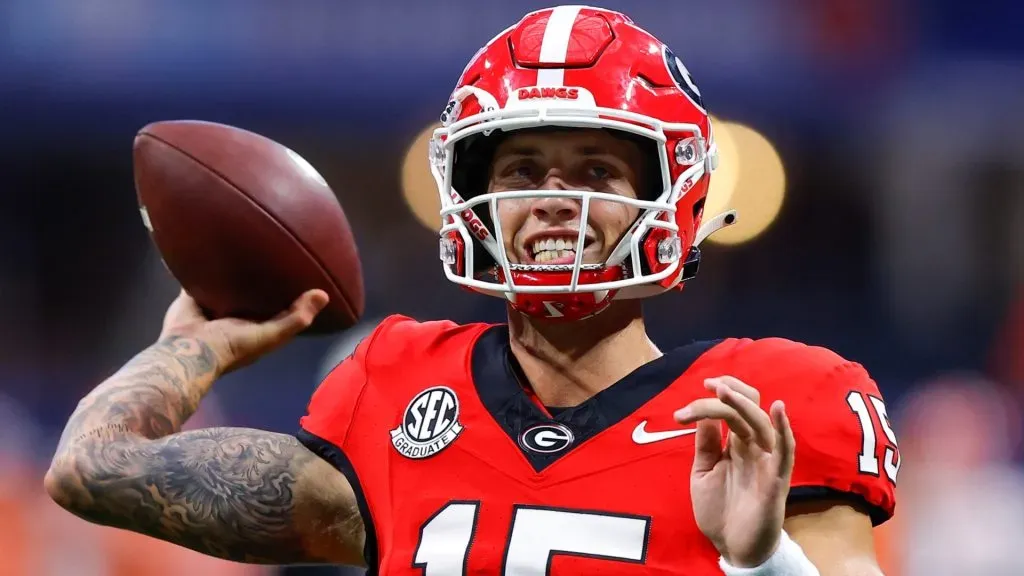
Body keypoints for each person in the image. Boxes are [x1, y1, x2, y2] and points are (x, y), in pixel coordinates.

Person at [44, 6, 898, 575]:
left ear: (672, 195)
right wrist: (199, 343)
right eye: (523, 168)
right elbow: (91, 468)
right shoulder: (398, 386)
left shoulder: (765, 404)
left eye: (597, 168)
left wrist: (761, 562)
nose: (555, 196)